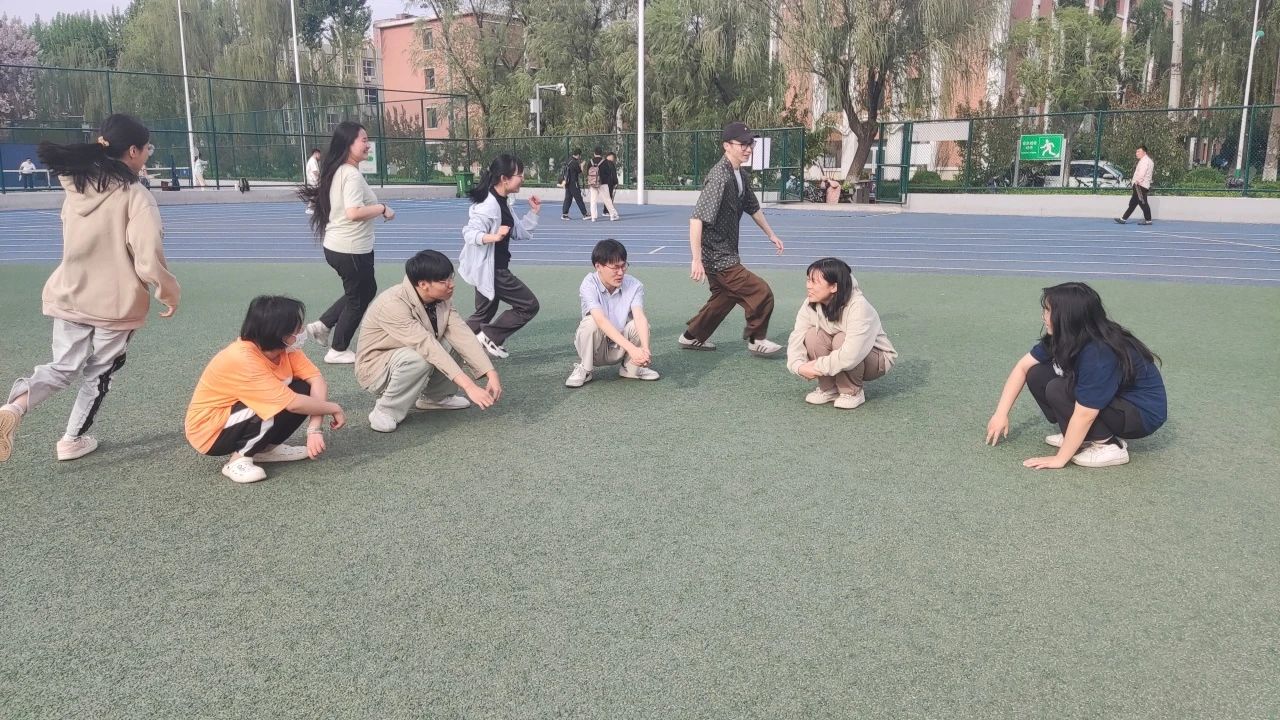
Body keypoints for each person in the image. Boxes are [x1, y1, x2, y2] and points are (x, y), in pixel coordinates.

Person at [0, 114, 180, 464]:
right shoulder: (136, 195)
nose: (148, 155)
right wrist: (168, 291)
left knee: (62, 367)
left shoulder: (76, 187)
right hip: (115, 303)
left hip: (70, 292)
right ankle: (71, 440)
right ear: (133, 151)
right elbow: (147, 254)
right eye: (147, 149)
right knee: (99, 373)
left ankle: (12, 408)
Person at [985, 282, 1167, 469]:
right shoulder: (1068, 334)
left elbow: (1086, 413)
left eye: (1048, 311)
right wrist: (1000, 414)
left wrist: (1060, 459)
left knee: (1059, 389)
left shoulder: (1099, 353)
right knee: (1037, 373)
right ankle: (1084, 438)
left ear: (1067, 316)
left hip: (1141, 413)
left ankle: (1109, 446)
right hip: (1116, 399)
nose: (1043, 316)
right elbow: (1022, 367)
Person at [186, 296, 346, 483]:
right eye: (297, 329)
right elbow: (292, 404)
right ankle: (238, 460)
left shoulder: (287, 350)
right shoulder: (243, 357)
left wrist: (314, 429)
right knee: (277, 404)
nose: (302, 331)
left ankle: (265, 449)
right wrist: (334, 408)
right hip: (210, 430)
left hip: (239, 415)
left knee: (302, 388)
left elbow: (316, 381)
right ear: (280, 333)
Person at [356, 250, 503, 433]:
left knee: (454, 342)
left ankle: (436, 398)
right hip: (375, 368)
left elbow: (463, 335)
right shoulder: (392, 304)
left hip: (407, 354)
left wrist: (490, 373)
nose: (451, 285)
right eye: (443, 281)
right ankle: (386, 411)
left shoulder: (441, 298)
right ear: (423, 284)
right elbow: (427, 346)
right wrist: (469, 386)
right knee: (419, 357)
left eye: (451, 278)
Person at [680, 121, 787, 357]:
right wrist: (696, 259)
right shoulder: (720, 177)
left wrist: (771, 235)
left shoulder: (740, 174)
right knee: (761, 292)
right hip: (718, 256)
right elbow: (696, 219)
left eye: (751, 144)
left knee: (725, 298)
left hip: (725, 252)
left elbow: (753, 207)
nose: (748, 149)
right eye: (743, 144)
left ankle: (691, 336)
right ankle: (756, 339)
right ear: (727, 146)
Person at [298, 122, 394, 365]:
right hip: (350, 249)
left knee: (365, 290)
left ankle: (323, 325)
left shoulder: (341, 170)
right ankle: (338, 349)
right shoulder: (350, 174)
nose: (368, 144)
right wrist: (382, 208)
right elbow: (353, 212)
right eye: (363, 140)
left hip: (344, 247)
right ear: (348, 144)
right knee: (357, 298)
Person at [459, 153, 542, 359]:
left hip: (491, 268)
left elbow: (518, 232)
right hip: (494, 271)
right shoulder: (488, 205)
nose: (523, 178)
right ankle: (490, 336)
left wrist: (533, 212)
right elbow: (469, 233)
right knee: (528, 305)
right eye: (519, 175)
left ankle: (454, 355)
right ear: (504, 179)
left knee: (483, 314)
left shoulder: (503, 201)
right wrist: (493, 237)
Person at [785, 258, 896, 409]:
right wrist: (797, 366)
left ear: (834, 287)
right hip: (844, 354)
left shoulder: (858, 306)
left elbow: (852, 354)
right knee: (812, 335)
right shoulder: (810, 304)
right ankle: (829, 389)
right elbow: (797, 337)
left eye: (814, 282)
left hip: (876, 360)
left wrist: (816, 367)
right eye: (808, 280)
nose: (808, 286)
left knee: (841, 339)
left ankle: (852, 392)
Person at [566, 239, 659, 388]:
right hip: (595, 348)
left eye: (623, 266)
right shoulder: (589, 284)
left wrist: (645, 350)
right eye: (615, 268)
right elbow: (600, 320)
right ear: (598, 266)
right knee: (591, 322)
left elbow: (639, 317)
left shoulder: (634, 285)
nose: (620, 272)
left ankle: (632, 368)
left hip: (619, 347)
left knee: (639, 325)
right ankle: (585, 369)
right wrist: (632, 349)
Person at [1115, 145, 1154, 225]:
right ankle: (1123, 219)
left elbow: (1142, 172)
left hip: (1140, 185)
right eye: (1136, 152)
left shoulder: (1144, 161)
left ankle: (1148, 220)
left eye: (1139, 151)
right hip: (1142, 185)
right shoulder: (1149, 161)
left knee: (1142, 203)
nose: (1137, 153)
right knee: (1133, 203)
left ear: (1144, 152)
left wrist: (1137, 181)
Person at [586, 147, 619, 222]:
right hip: (603, 183)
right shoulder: (604, 161)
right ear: (601, 153)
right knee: (607, 199)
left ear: (594, 153)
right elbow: (608, 172)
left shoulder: (590, 161)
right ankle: (612, 215)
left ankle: (593, 217)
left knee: (593, 200)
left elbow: (587, 172)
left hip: (593, 184)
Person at [559, 149, 588, 220]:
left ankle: (564, 214)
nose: (580, 157)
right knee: (579, 199)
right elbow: (580, 171)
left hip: (567, 182)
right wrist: (582, 165)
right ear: (578, 155)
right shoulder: (575, 162)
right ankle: (585, 214)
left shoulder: (568, 160)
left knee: (568, 199)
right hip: (574, 183)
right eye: (580, 155)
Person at [304, 148, 321, 215]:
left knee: (315, 195)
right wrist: (320, 177)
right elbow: (315, 171)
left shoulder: (312, 160)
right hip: (313, 181)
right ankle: (309, 208)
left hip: (313, 181)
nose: (320, 156)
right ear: (316, 153)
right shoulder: (313, 161)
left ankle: (313, 208)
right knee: (314, 195)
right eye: (319, 154)